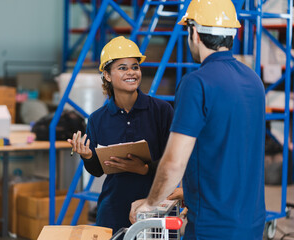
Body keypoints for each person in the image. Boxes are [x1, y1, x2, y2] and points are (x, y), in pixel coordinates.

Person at [130, 0, 266, 239]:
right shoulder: (253, 80)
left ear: (194, 32)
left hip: (212, 227)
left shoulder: (197, 83)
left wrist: (150, 204)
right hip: (251, 223)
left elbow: (173, 162)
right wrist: (188, 193)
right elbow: (230, 152)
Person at [67, 36, 174, 234]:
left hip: (153, 207)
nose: (131, 72)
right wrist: (88, 156)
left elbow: (173, 161)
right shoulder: (97, 119)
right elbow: (98, 171)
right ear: (107, 75)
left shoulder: (161, 111)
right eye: (122, 68)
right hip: (113, 209)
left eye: (135, 67)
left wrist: (144, 168)